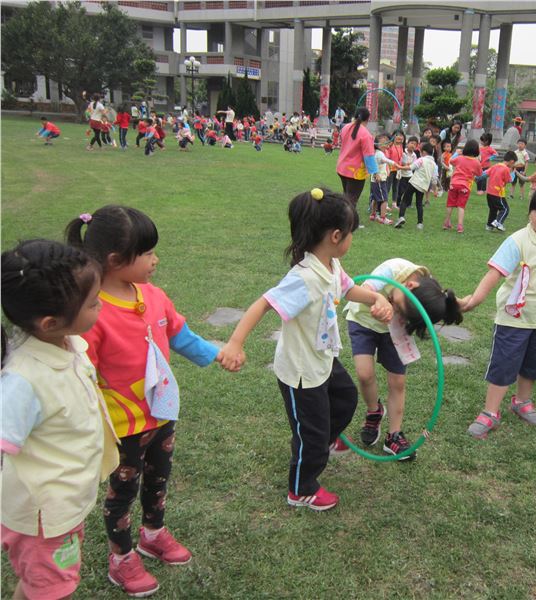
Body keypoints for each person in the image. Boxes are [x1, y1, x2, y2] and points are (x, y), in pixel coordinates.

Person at [66, 205, 228, 597]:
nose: (156, 260)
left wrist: (216, 354)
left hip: (162, 413)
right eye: (148, 253)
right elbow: (82, 374)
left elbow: (179, 334)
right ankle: (121, 557)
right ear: (115, 260)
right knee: (122, 492)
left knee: (158, 481)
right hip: (123, 427)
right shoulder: (93, 314)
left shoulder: (154, 296)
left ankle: (153, 533)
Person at [217, 188, 392, 511]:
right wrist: (235, 342)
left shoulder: (331, 266)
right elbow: (264, 303)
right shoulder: (305, 277)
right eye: (351, 232)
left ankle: (324, 438)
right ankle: (301, 488)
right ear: (336, 236)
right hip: (300, 372)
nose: (352, 238)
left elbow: (349, 289)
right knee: (311, 434)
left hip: (322, 357)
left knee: (346, 398)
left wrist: (377, 298)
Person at [1, 240, 119, 600]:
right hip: (42, 519)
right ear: (50, 322)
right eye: (93, 303)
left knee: (41, 586)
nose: (101, 306)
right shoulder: (23, 380)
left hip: (63, 505)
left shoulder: (67, 343)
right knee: (53, 591)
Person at [461, 184, 536, 438]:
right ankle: (490, 412)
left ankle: (522, 402)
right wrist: (475, 299)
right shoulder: (517, 241)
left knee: (533, 364)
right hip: (513, 319)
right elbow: (495, 273)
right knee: (504, 365)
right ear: (529, 212)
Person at [345, 258, 464, 459]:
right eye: (399, 307)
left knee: (398, 382)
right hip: (363, 322)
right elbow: (363, 289)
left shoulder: (427, 288)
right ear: (409, 286)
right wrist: (377, 302)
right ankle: (374, 411)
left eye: (402, 312)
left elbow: (439, 299)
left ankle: (394, 435)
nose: (396, 310)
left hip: (395, 330)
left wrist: (456, 304)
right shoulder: (391, 270)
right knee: (364, 374)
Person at [336, 107, 378, 208]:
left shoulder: (345, 128)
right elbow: (369, 156)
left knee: (347, 197)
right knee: (351, 201)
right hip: (355, 172)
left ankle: (342, 216)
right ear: (367, 119)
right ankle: (347, 218)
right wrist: (375, 172)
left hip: (342, 168)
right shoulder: (366, 134)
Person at [395, 142, 438, 230]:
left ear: (424, 152)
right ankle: (420, 223)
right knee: (419, 204)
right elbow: (434, 179)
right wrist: (435, 190)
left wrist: (399, 167)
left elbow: (411, 167)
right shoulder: (434, 165)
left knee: (404, 200)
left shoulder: (421, 159)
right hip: (423, 187)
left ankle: (401, 217)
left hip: (414, 183)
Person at [443, 139, 482, 234]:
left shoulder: (460, 158)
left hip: (453, 184)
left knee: (450, 204)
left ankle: (446, 222)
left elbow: (451, 161)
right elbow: (480, 173)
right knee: (461, 206)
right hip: (465, 186)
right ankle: (460, 226)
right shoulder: (476, 162)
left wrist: (457, 153)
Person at [485, 150, 529, 232]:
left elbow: (485, 173)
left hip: (489, 193)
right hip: (498, 194)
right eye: (514, 163)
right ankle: (498, 222)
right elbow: (509, 180)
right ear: (512, 161)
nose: (513, 165)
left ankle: (489, 225)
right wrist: (513, 173)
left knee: (493, 210)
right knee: (505, 209)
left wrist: (477, 177)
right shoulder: (506, 169)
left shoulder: (495, 165)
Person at [370, 134, 399, 225]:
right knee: (384, 200)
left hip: (375, 180)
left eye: (387, 141)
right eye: (384, 142)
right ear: (378, 145)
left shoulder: (378, 152)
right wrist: (395, 164)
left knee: (375, 198)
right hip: (379, 180)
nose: (386, 143)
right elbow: (386, 160)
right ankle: (383, 218)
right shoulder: (379, 154)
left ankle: (373, 215)